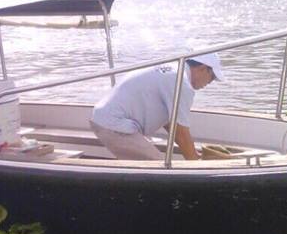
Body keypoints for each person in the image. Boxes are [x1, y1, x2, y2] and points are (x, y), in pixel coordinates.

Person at [90, 52, 225, 161]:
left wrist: (194, 152)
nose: (210, 83)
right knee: (157, 167)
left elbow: (171, 125)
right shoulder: (181, 83)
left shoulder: (173, 70)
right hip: (115, 125)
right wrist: (196, 165)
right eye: (212, 77)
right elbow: (180, 133)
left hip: (105, 118)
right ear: (203, 68)